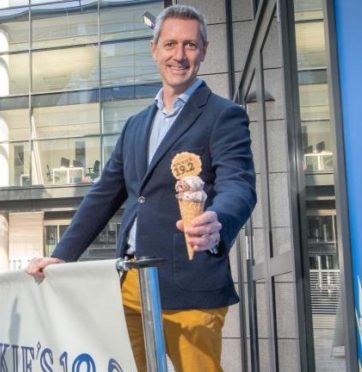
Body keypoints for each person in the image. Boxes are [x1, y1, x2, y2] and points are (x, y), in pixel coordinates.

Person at [27, 5, 256, 372]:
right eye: (169, 44)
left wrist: (218, 218)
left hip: (193, 284)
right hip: (132, 285)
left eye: (190, 45)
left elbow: (239, 184)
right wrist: (63, 255)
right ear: (154, 50)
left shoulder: (222, 115)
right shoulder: (136, 124)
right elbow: (104, 194)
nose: (178, 55)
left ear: (204, 51)